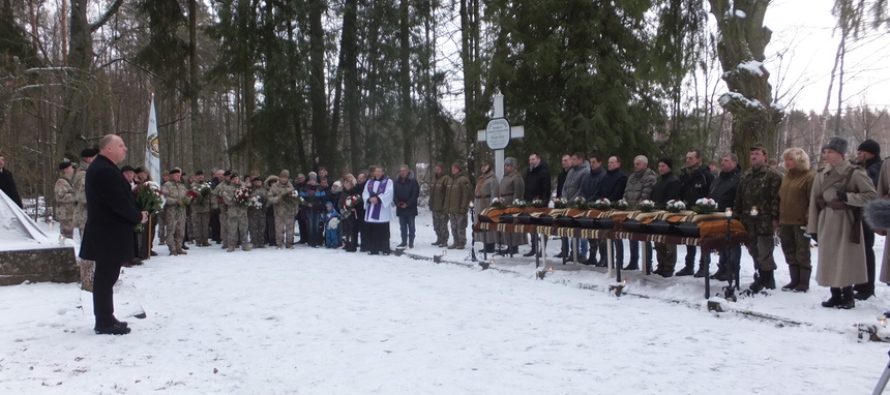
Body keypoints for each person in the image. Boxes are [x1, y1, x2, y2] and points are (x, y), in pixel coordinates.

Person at [80, 134, 148, 335]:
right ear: (108, 148)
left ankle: (106, 317)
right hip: (107, 232)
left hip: (107, 231)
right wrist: (137, 216)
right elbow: (117, 201)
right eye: (121, 145)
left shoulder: (105, 168)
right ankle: (104, 321)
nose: (125, 148)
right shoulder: (103, 170)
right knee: (105, 276)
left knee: (107, 276)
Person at [807, 137, 876, 309]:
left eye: (831, 152)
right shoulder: (822, 173)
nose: (827, 155)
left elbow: (871, 196)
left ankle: (847, 295)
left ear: (841, 154)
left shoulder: (855, 172)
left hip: (846, 219)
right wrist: (813, 228)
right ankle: (835, 294)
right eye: (825, 152)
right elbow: (814, 201)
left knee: (844, 259)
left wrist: (849, 198)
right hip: (826, 218)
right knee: (828, 257)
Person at [734, 143, 783, 292]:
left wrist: (775, 218)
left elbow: (776, 198)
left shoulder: (772, 175)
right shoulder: (746, 175)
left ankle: (767, 279)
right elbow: (739, 197)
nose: (754, 157)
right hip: (748, 220)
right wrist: (737, 215)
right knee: (753, 250)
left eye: (757, 154)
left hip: (765, 220)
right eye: (752, 154)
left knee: (764, 251)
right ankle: (759, 274)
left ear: (765, 157)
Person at [777, 148, 815, 292]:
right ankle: (794, 279)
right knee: (789, 250)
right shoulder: (786, 177)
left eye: (790, 159)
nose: (787, 162)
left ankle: (803, 282)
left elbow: (812, 200)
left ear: (800, 160)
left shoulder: (809, 177)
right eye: (786, 159)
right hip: (785, 220)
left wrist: (808, 219)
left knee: (802, 252)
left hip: (801, 222)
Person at [853, 139, 883, 300]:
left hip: (868, 214)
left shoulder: (876, 168)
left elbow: (870, 189)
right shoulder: (863, 167)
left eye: (860, 152)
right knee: (859, 250)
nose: (857, 155)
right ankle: (859, 283)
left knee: (866, 250)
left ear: (870, 154)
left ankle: (866, 287)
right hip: (860, 214)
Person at [676, 149, 714, 276]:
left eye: (691, 158)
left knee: (703, 240)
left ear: (699, 160)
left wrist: (706, 206)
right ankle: (689, 266)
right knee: (689, 240)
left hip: (702, 213)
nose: (687, 160)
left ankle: (704, 266)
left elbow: (711, 193)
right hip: (687, 211)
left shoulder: (706, 175)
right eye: (687, 158)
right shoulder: (684, 174)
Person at [708, 154, 742, 281]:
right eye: (722, 160)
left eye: (726, 160)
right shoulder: (718, 178)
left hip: (731, 217)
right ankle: (722, 267)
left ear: (734, 163)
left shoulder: (738, 178)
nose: (722, 162)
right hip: (717, 216)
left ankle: (732, 269)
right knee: (721, 243)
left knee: (732, 244)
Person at [622, 155, 656, 271]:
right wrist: (625, 205)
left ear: (645, 164)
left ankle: (647, 263)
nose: (635, 166)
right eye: (635, 164)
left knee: (645, 238)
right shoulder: (631, 177)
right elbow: (626, 193)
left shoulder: (650, 177)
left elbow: (645, 194)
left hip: (642, 213)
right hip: (630, 211)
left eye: (638, 164)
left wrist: (636, 209)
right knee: (632, 238)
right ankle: (633, 261)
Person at [651, 158, 682, 277]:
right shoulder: (659, 182)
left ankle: (669, 267)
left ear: (669, 167)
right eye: (659, 166)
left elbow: (672, 197)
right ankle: (661, 265)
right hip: (657, 215)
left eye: (663, 166)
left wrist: (661, 206)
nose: (660, 168)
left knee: (669, 243)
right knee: (658, 242)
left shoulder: (674, 181)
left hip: (669, 216)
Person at [595, 155, 627, 267]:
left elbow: (617, 194)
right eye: (609, 162)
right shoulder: (605, 176)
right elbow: (598, 190)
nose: (609, 164)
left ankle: (619, 260)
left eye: (612, 162)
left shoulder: (622, 177)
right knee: (602, 234)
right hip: (602, 209)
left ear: (618, 164)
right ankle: (605, 257)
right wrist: (599, 200)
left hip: (614, 210)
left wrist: (607, 202)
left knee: (615, 235)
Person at [561, 152, 590, 261]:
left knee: (581, 230)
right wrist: (564, 199)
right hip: (568, 205)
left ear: (580, 160)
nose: (571, 161)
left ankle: (583, 253)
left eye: (574, 159)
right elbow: (565, 186)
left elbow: (581, 189)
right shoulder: (571, 171)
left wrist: (572, 201)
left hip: (579, 205)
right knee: (572, 229)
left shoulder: (585, 171)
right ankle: (574, 251)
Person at [581, 153, 607, 265]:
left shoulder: (603, 175)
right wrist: (582, 199)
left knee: (600, 234)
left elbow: (599, 192)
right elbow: (583, 188)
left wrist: (590, 201)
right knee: (590, 234)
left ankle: (604, 257)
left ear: (600, 163)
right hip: (587, 207)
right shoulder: (588, 175)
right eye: (590, 162)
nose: (592, 164)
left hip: (598, 208)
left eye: (594, 162)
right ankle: (592, 255)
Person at [523, 153, 550, 257]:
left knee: (542, 227)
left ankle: (543, 248)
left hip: (540, 204)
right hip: (530, 203)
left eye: (533, 159)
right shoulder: (529, 172)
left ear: (539, 159)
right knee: (532, 227)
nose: (531, 161)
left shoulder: (543, 172)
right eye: (530, 160)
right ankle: (534, 247)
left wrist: (543, 202)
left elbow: (546, 189)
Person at [498, 157, 527, 255]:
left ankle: (514, 246)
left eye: (508, 165)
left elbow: (518, 192)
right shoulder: (506, 177)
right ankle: (508, 244)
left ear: (513, 166)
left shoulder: (517, 177)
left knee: (513, 225)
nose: (506, 167)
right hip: (504, 203)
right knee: (506, 225)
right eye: (505, 165)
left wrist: (515, 204)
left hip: (511, 203)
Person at [363, 165, 394, 255]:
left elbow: (389, 193)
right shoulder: (369, 182)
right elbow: (365, 193)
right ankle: (374, 249)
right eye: (376, 171)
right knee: (373, 231)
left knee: (383, 230)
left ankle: (385, 249)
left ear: (383, 172)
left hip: (382, 210)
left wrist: (379, 199)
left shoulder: (388, 182)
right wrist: (369, 199)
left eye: (379, 171)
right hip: (371, 208)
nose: (377, 173)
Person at [162, 168, 191, 256]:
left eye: (179, 176)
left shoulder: (182, 186)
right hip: (172, 211)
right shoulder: (167, 185)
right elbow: (164, 198)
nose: (178, 177)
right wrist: (175, 201)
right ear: (171, 176)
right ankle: (172, 248)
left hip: (181, 211)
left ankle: (179, 247)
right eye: (176, 175)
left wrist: (187, 199)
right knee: (171, 229)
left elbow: (187, 195)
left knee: (180, 229)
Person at [444, 162, 472, 250]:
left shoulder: (463, 180)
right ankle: (455, 242)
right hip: (451, 208)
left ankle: (461, 242)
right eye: (452, 168)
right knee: (453, 226)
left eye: (455, 168)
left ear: (459, 169)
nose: (453, 170)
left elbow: (466, 194)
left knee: (461, 226)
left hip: (460, 208)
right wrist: (446, 206)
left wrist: (463, 206)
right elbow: (447, 195)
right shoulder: (450, 180)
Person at [474, 160, 500, 253]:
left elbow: (495, 193)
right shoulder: (481, 178)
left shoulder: (493, 179)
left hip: (487, 203)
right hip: (479, 203)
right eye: (482, 166)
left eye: (485, 166)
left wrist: (492, 206)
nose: (483, 167)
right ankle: (485, 243)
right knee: (480, 223)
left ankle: (490, 245)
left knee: (488, 224)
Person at [268, 170, 297, 248]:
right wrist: (278, 199)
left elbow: (295, 199)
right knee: (279, 229)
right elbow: (270, 198)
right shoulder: (275, 186)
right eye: (282, 177)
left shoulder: (291, 187)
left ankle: (289, 243)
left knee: (290, 229)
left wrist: (295, 209)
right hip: (279, 211)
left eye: (285, 178)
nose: (283, 179)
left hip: (289, 211)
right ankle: (279, 243)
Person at [222, 173, 250, 252]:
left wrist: (244, 201)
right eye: (234, 179)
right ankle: (231, 245)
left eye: (237, 178)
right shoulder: (227, 188)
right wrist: (235, 200)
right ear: (231, 180)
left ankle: (245, 245)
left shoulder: (244, 187)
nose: (235, 180)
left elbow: (248, 197)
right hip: (233, 211)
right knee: (232, 229)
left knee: (244, 229)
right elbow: (226, 199)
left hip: (242, 211)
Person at [73, 148, 99, 236]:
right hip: (86, 216)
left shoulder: (90, 172)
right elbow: (82, 196)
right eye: (96, 158)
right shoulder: (83, 174)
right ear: (89, 159)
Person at [394, 165, 420, 249]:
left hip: (410, 208)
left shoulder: (413, 181)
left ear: (408, 171)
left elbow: (415, 194)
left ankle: (411, 242)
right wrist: (397, 203)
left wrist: (407, 204)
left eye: (404, 171)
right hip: (400, 207)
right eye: (401, 171)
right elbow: (393, 194)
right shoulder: (396, 181)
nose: (402, 172)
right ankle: (403, 241)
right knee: (402, 226)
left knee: (411, 226)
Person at [300, 172, 327, 247]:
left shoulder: (320, 188)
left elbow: (324, 199)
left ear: (316, 181)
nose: (312, 181)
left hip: (318, 210)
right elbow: (301, 199)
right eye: (311, 180)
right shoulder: (305, 188)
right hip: (309, 210)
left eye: (313, 180)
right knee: (310, 226)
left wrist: (322, 208)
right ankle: (310, 241)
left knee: (317, 226)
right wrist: (306, 204)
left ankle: (317, 241)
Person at [429, 162, 451, 247]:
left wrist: (445, 205)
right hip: (434, 206)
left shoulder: (446, 179)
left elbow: (448, 194)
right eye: (435, 169)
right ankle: (439, 238)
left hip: (442, 207)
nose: (436, 171)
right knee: (436, 224)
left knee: (443, 225)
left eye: (438, 169)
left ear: (442, 170)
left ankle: (444, 240)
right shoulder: (434, 179)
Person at [54, 162, 77, 238]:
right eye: (71, 168)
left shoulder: (68, 181)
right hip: (65, 215)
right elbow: (60, 197)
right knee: (66, 237)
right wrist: (76, 196)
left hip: (70, 214)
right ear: (66, 169)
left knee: (69, 235)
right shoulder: (61, 182)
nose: (73, 170)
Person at [248, 176, 268, 248]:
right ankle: (255, 241)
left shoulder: (264, 190)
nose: (258, 183)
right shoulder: (250, 190)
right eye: (256, 182)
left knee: (262, 227)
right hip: (253, 212)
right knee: (253, 228)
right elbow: (247, 200)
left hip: (262, 211)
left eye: (259, 182)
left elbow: (267, 199)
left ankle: (261, 241)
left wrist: (266, 206)